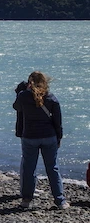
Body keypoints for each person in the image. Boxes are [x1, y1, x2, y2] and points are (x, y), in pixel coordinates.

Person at [12, 71, 69, 209]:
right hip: (49, 136)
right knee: (52, 168)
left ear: (30, 82)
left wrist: (25, 91)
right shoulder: (51, 98)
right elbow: (58, 122)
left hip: (30, 136)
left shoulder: (23, 96)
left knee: (29, 168)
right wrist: (59, 137)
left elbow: (16, 107)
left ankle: (27, 200)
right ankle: (60, 201)